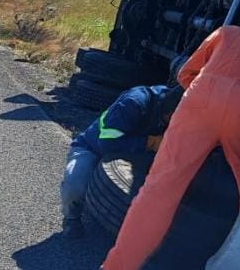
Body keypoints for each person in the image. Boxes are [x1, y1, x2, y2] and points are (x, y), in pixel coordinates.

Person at [79, 7, 240, 270]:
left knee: (158, 190)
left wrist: (203, 105)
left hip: (198, 99)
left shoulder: (228, 33)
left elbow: (185, 73)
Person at [61, 84, 178, 238]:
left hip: (135, 155)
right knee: (75, 187)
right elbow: (107, 143)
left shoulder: (178, 108)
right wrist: (150, 142)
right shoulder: (135, 101)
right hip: (93, 147)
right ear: (170, 115)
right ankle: (71, 218)